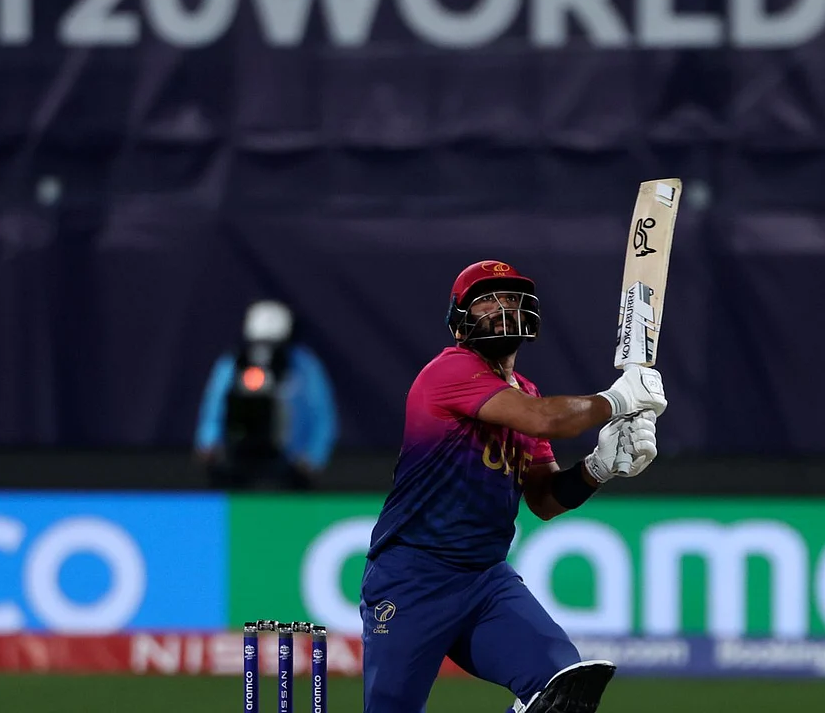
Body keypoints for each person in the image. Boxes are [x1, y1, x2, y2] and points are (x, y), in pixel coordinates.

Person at [360, 259, 665, 713]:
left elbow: (544, 499)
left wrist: (598, 467)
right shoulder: (449, 371)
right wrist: (617, 399)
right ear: (459, 322)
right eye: (486, 301)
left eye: (511, 298)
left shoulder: (526, 391)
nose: (502, 308)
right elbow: (547, 421)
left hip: (485, 580)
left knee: (563, 692)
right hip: (414, 575)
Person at [194, 300, 338, 490]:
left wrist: (313, 457)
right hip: (235, 464)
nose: (264, 353)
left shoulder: (304, 366)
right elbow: (214, 407)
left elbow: (322, 415)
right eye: (258, 344)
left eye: (272, 345)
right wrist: (209, 443)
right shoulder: (232, 363)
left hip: (289, 468)